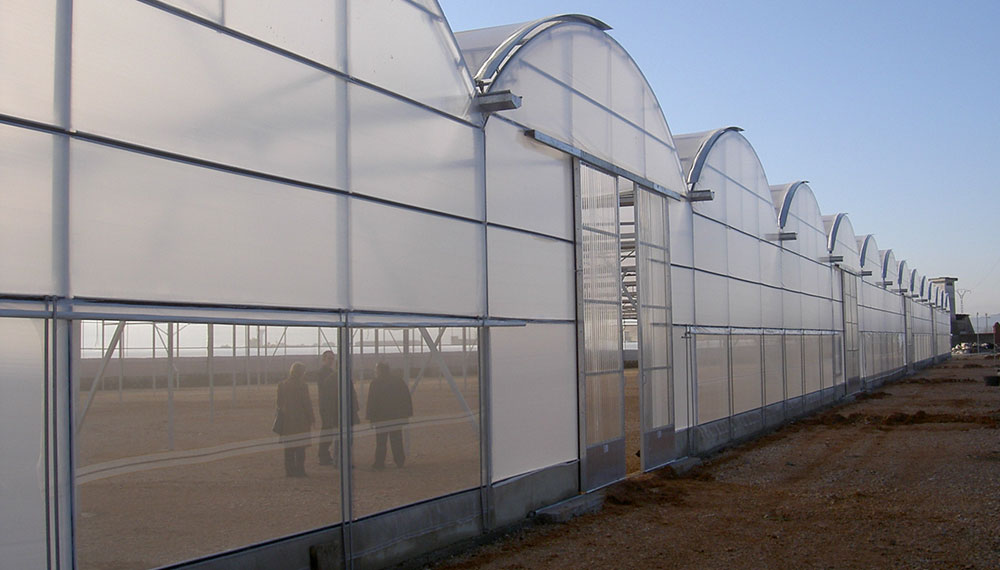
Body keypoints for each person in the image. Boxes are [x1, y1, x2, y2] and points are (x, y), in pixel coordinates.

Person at [365, 362, 413, 470]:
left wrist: (371, 418)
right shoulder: (398, 381)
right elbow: (406, 399)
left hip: (381, 418)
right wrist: (406, 415)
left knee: (381, 441)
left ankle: (379, 462)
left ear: (379, 370)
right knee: (397, 439)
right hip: (396, 417)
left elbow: (372, 402)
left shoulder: (375, 383)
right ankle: (400, 461)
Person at [315, 350, 359, 467]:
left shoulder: (329, 373)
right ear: (324, 359)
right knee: (328, 432)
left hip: (328, 407)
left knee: (329, 432)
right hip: (328, 407)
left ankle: (326, 456)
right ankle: (325, 456)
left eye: (332, 358)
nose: (331, 360)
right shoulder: (326, 373)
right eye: (329, 358)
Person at [276, 362, 314, 477]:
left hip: (287, 420)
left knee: (289, 447)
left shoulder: (282, 385)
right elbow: (306, 403)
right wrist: (311, 418)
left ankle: (289, 470)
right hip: (301, 420)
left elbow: (278, 403)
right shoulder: (303, 385)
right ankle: (300, 470)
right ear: (301, 373)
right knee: (300, 447)